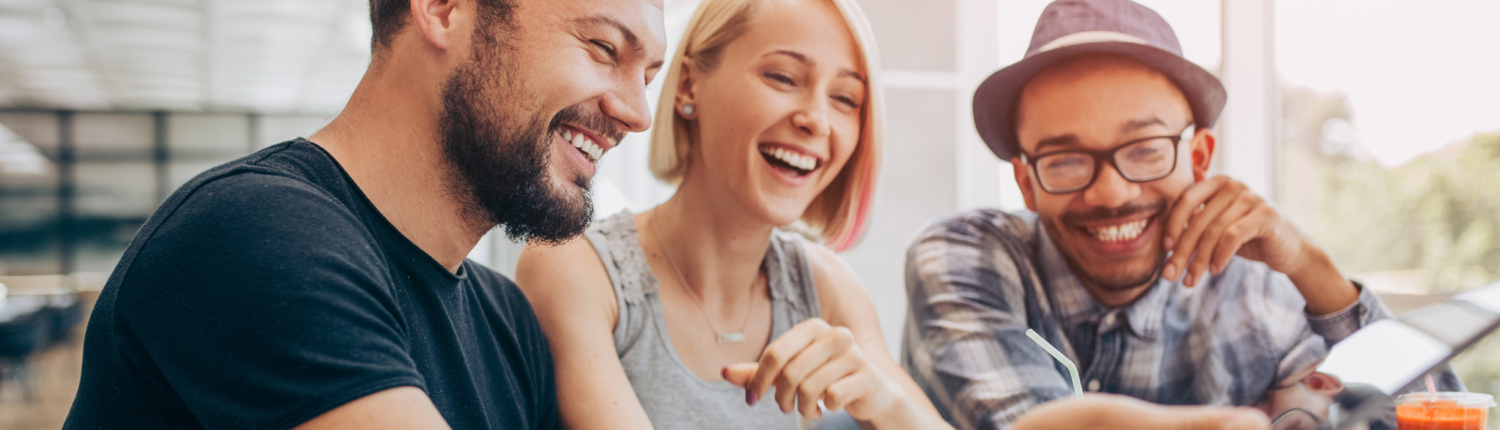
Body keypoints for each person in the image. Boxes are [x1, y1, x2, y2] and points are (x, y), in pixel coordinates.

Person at [62, 0, 666, 428]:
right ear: (443, 8)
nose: (638, 113)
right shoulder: (253, 234)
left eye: (649, 76)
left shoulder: (507, 324)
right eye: (603, 47)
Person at [899, 0, 1460, 429]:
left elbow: (1437, 413)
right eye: (1066, 160)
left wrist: (1315, 271)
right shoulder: (968, 259)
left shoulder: (1262, 293)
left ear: (1198, 159)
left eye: (1144, 149)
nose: (1112, 192)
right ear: (1025, 181)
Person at [514, 0, 953, 428]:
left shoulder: (826, 286)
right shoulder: (574, 267)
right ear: (688, 86)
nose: (817, 120)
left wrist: (885, 400)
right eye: (783, 77)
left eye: (844, 98)